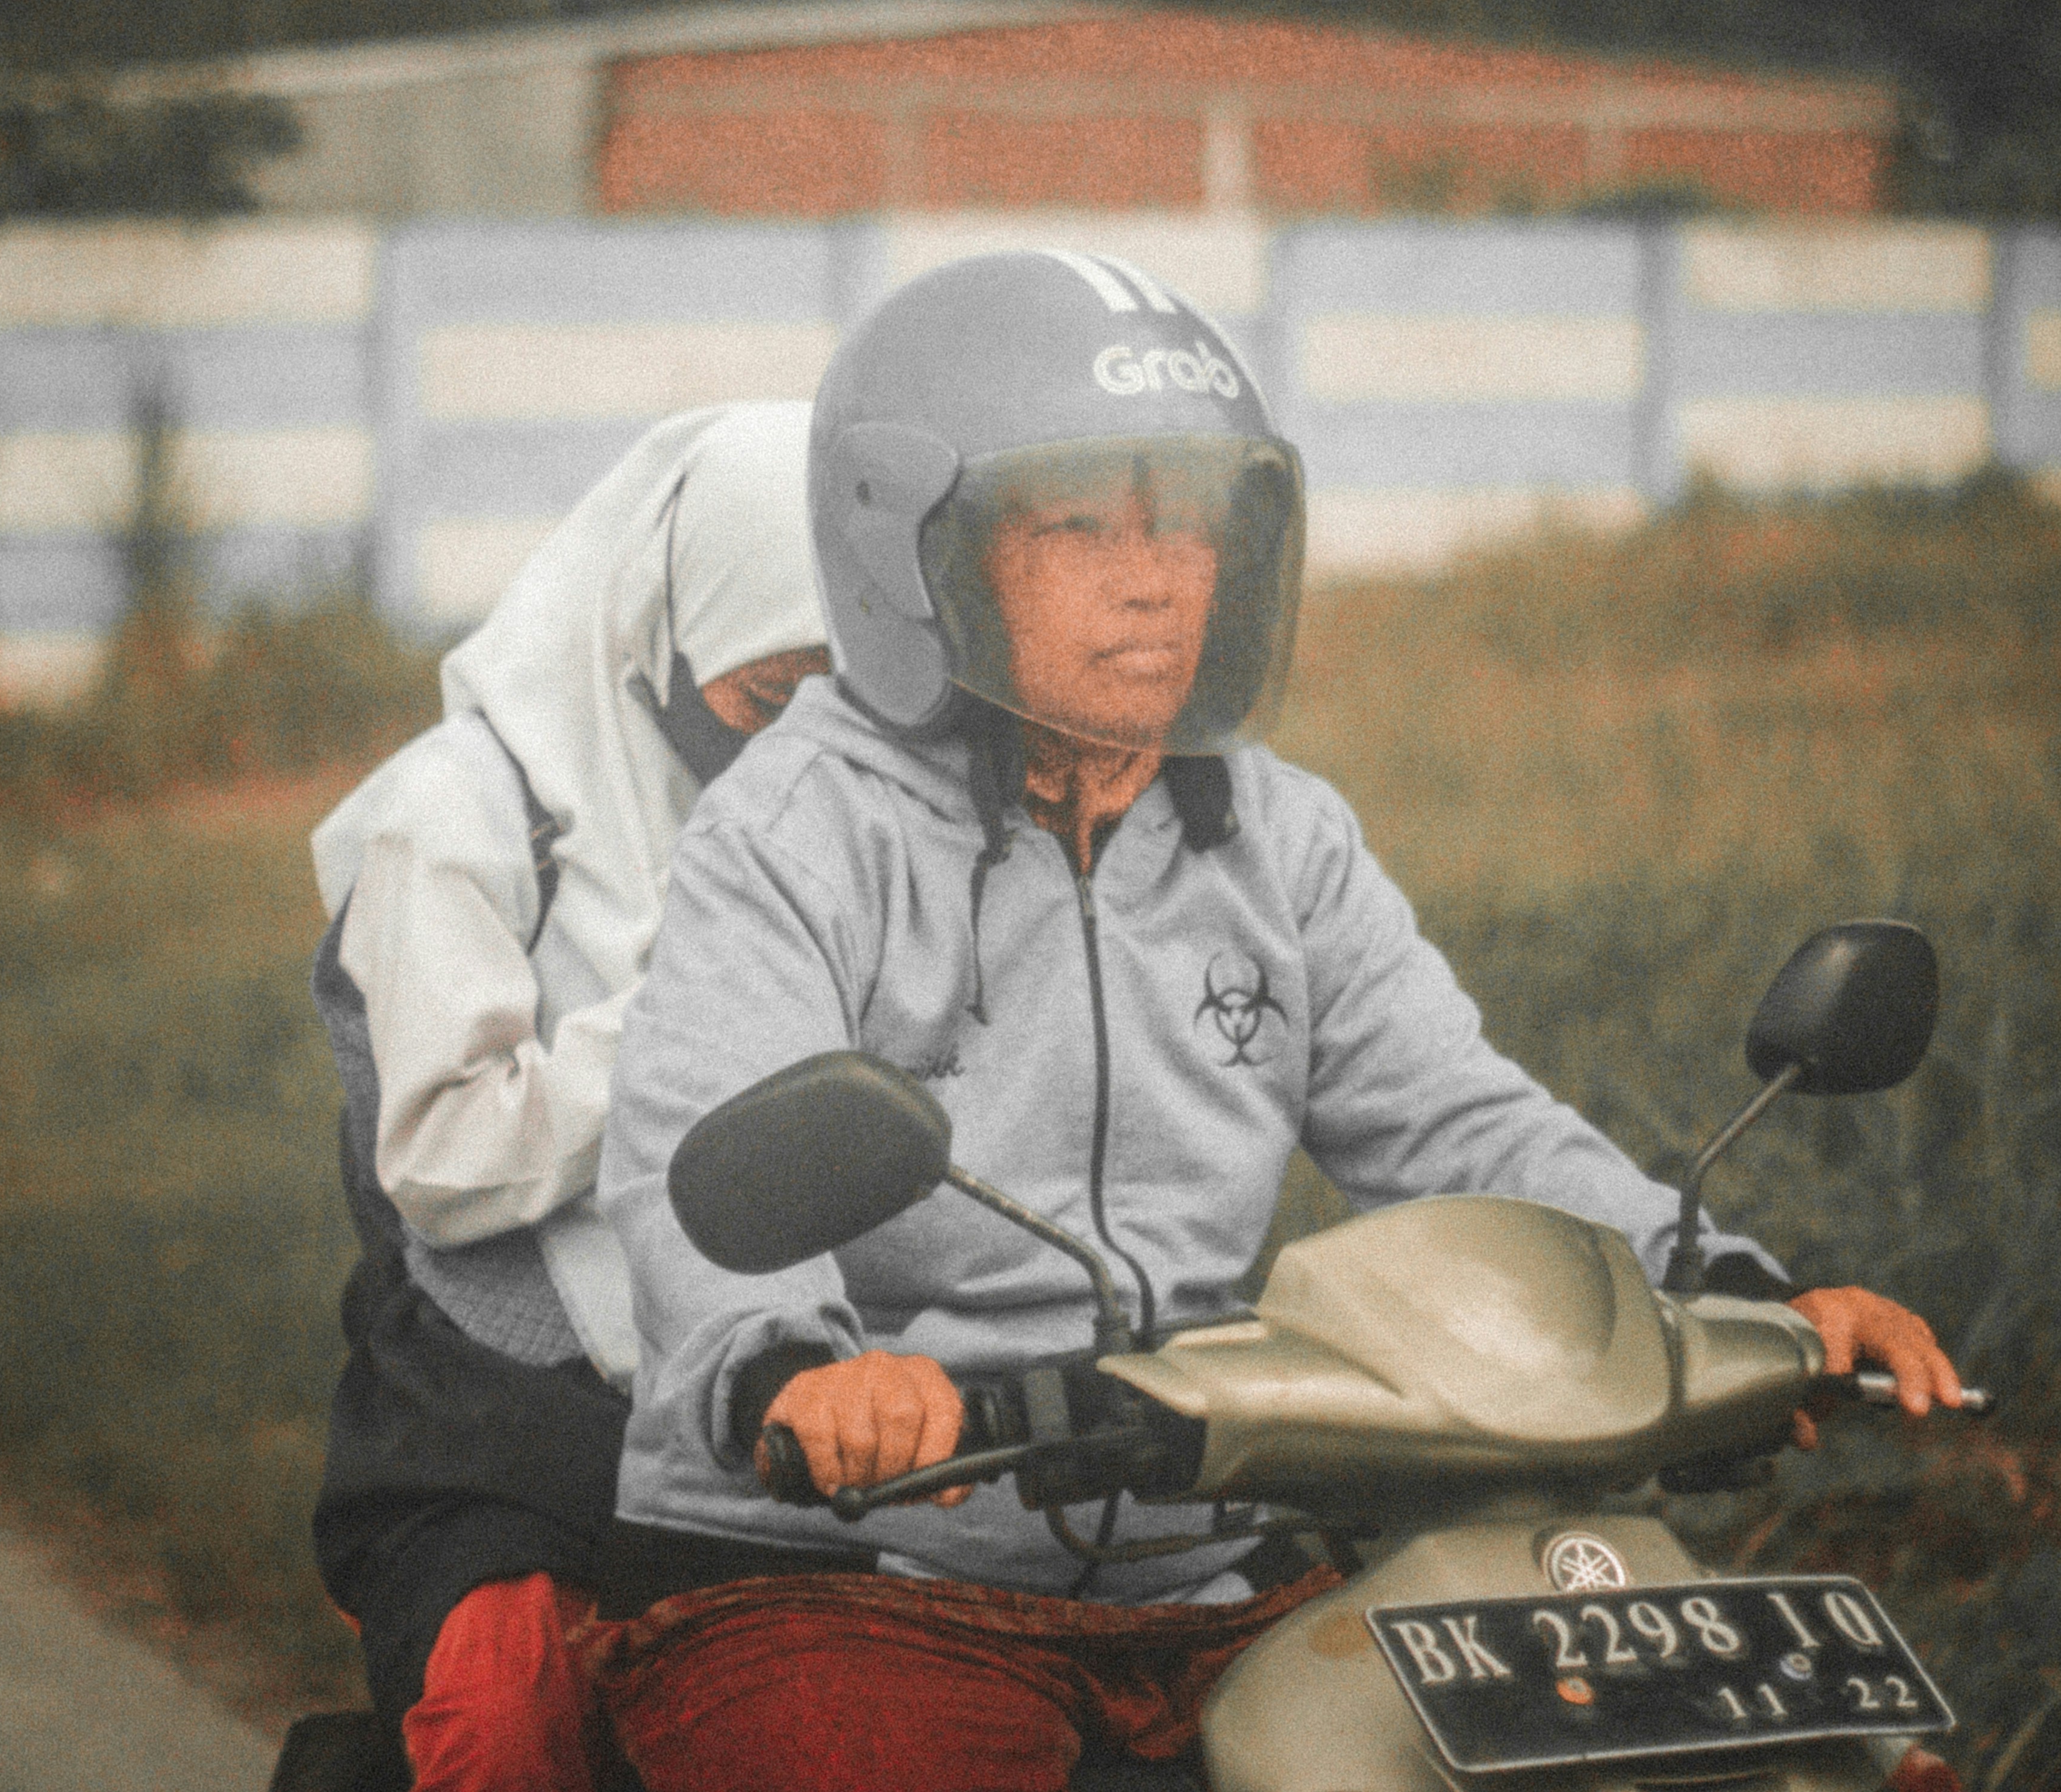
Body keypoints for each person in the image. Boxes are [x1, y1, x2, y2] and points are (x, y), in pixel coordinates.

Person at [585, 254, 1965, 1792]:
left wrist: (1721, 1284)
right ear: (923, 561)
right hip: (847, 1579)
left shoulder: (1277, 839)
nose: (1157, 575)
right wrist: (795, 1374)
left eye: (1191, 520)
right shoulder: (796, 832)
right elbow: (693, 1153)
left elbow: (1456, 1123)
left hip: (1205, 1560)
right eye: (1078, 525)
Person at [303, 399, 829, 1792]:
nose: (799, 745)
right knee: (502, 1714)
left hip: (773, 1397)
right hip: (504, 1423)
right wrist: (702, 1015)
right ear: (665, 628)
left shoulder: (829, 810)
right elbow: (445, 1154)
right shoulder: (457, 817)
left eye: (847, 699)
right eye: (769, 699)